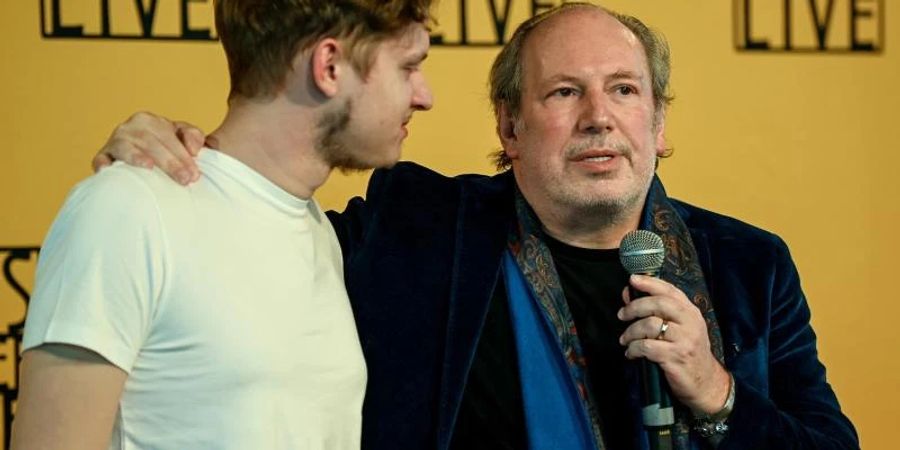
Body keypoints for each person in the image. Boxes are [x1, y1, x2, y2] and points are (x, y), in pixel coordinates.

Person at [87, 3, 859, 449]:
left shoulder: (748, 265)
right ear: (510, 124)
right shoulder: (413, 229)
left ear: (658, 122)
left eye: (624, 90)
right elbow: (256, 213)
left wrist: (718, 392)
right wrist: (179, 150)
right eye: (563, 93)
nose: (599, 119)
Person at [11, 0, 433, 449]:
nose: (424, 96)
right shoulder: (129, 210)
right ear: (328, 65)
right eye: (408, 68)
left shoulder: (318, 231)